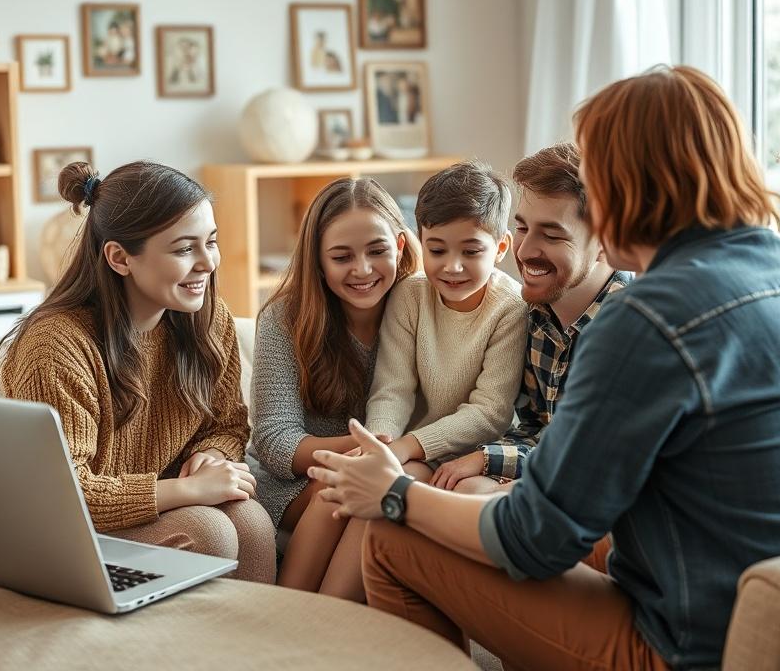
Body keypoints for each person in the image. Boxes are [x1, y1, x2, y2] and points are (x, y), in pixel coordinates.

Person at [308, 65, 780, 670]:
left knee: (394, 533)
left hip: (691, 647)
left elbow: (534, 540)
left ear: (624, 184)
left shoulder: (646, 320)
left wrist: (397, 493)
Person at [0, 160, 275, 584]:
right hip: (69, 531)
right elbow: (60, 492)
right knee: (210, 531)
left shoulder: (206, 318)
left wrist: (212, 456)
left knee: (251, 523)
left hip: (158, 510)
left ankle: (251, 650)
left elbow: (229, 424)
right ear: (120, 258)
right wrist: (185, 491)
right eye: (185, 249)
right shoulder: (56, 347)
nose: (208, 263)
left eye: (211, 242)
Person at [250, 178, 417, 601]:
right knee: (346, 488)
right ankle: (290, 619)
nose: (362, 269)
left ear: (399, 245)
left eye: (377, 251)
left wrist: (378, 461)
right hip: (291, 479)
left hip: (391, 464)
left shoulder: (423, 310)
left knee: (376, 494)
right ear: (319, 263)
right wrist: (369, 451)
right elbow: (274, 440)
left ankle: (320, 632)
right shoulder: (285, 319)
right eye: (342, 257)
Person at [429, 144, 629, 495]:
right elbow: (537, 427)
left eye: (551, 235)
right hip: (550, 471)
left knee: (466, 495)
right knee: (454, 488)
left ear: (603, 243)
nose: (523, 251)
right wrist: (484, 457)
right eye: (522, 228)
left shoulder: (629, 328)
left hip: (601, 489)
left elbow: (593, 455)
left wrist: (487, 459)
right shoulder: (534, 314)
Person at [365, 161, 528, 482]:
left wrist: (408, 446)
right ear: (420, 240)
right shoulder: (409, 295)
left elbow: (490, 413)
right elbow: (392, 389)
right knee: (382, 482)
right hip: (411, 448)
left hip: (477, 456)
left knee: (399, 484)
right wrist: (379, 443)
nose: (453, 266)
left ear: (501, 248)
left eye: (470, 252)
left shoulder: (511, 307)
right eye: (437, 250)